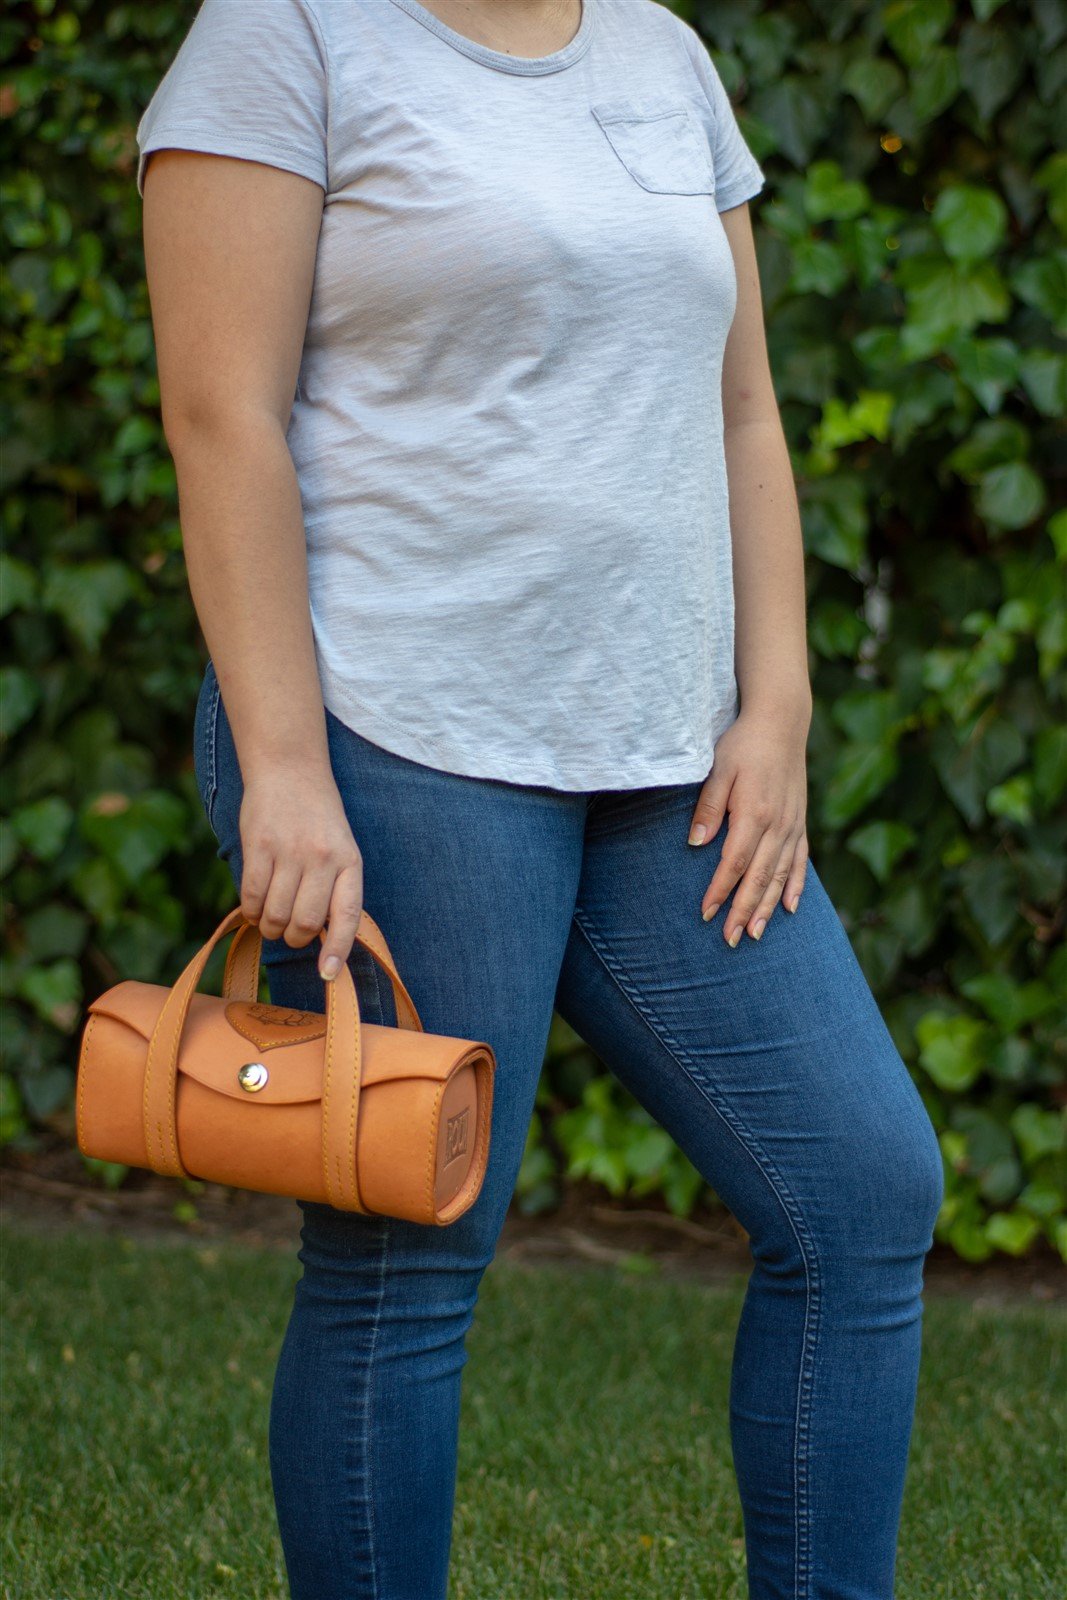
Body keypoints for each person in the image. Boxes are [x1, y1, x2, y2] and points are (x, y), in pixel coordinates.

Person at [136, 1, 945, 1595]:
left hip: (669, 759)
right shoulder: (285, 34)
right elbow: (221, 415)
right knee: (408, 1253)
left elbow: (743, 408)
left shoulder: (661, 51)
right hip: (399, 738)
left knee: (862, 1191)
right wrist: (285, 768)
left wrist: (777, 704)